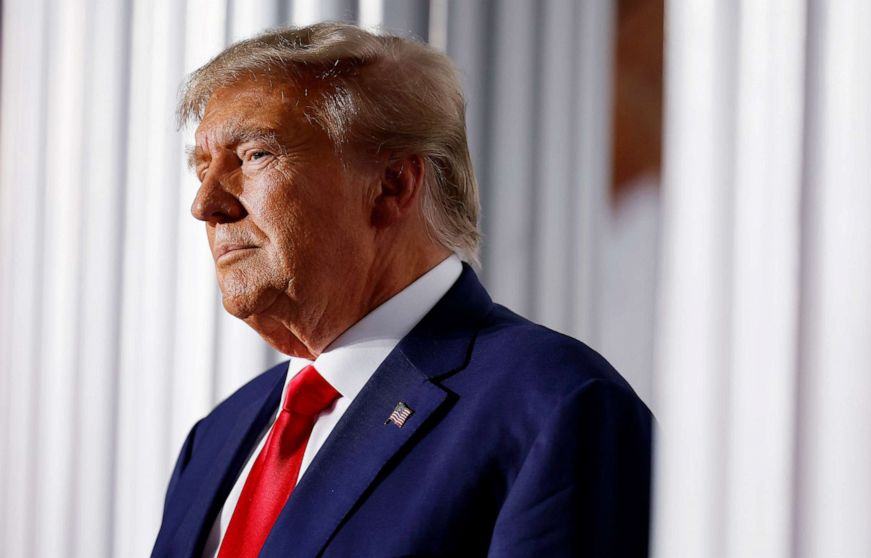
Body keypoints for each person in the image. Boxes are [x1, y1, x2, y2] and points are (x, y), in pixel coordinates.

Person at [152, 21, 653, 558]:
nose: (206, 204)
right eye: (203, 167)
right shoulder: (218, 436)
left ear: (391, 186)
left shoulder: (560, 407)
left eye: (255, 155)